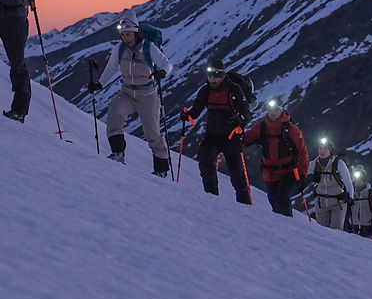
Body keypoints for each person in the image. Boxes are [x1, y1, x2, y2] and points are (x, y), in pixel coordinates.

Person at [88, 11, 173, 176]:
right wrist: (99, 84)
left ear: (135, 33)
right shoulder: (119, 49)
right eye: (123, 34)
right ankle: (118, 154)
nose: (125, 37)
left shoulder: (149, 47)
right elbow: (111, 68)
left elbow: (167, 64)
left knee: (153, 133)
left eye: (128, 34)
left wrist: (162, 72)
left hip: (148, 94)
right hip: (127, 92)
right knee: (114, 115)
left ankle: (161, 170)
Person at [180, 59, 253, 204]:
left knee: (237, 172)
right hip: (212, 135)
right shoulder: (205, 90)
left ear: (222, 75)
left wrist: (241, 119)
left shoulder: (234, 90)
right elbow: (197, 110)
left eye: (215, 76)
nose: (212, 80)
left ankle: (245, 206)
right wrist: (187, 116)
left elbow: (246, 112)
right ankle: (212, 198)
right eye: (210, 76)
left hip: (231, 136)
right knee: (205, 160)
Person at [242, 96, 309, 216]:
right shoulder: (262, 127)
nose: (272, 113)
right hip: (269, 172)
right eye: (270, 110)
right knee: (273, 199)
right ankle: (281, 224)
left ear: (281, 111)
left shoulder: (291, 129)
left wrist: (302, 174)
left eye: (275, 110)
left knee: (281, 198)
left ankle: (286, 223)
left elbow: (303, 152)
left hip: (288, 171)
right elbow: (247, 139)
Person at [310, 138, 354, 230]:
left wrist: (351, 197)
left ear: (330, 150)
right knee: (321, 231)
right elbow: (302, 171)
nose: (322, 150)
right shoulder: (314, 164)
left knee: (336, 232)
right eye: (320, 148)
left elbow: (348, 181)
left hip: (338, 203)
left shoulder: (339, 164)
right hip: (321, 203)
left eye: (325, 148)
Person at [346, 165, 372, 240]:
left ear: (364, 180)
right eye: (355, 179)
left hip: (369, 233)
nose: (356, 181)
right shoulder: (350, 195)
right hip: (353, 233)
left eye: (359, 179)